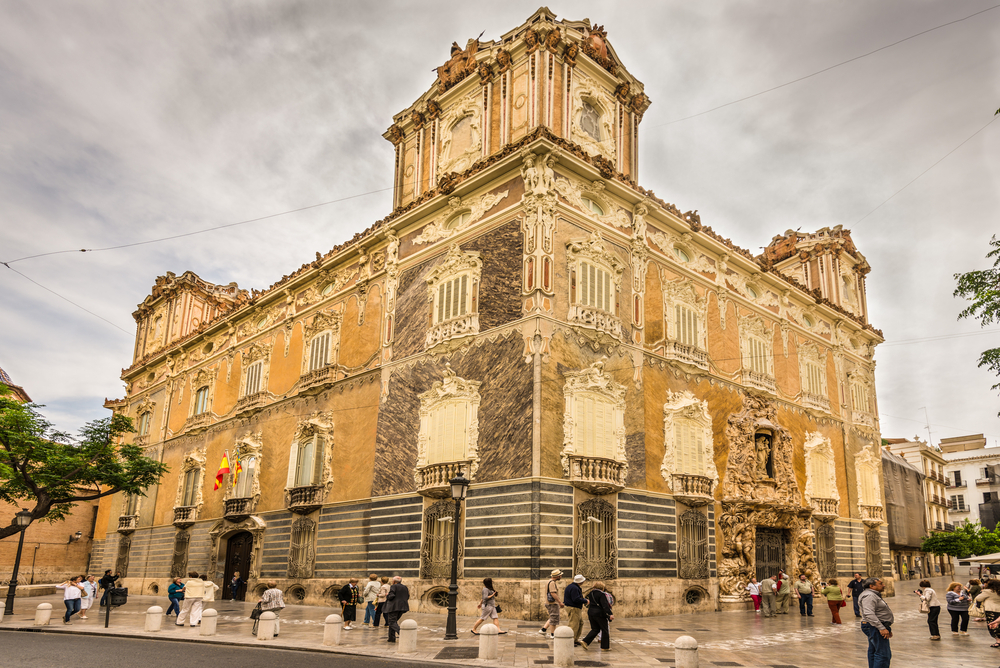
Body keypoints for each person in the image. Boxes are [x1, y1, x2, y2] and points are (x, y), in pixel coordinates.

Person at [858, 577, 893, 668]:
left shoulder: (872, 594)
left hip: (875, 626)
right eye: (880, 583)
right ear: (871, 586)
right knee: (883, 654)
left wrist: (886, 627)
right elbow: (869, 613)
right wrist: (881, 627)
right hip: (874, 627)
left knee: (874, 651)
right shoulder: (869, 596)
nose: (883, 585)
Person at [580, 581, 614, 652]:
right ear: (602, 587)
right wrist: (610, 614)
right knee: (605, 629)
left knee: (595, 629)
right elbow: (604, 605)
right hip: (599, 614)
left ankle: (585, 641)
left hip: (591, 613)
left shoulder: (591, 593)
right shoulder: (601, 594)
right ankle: (605, 647)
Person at [381, 576, 410, 643]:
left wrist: (387, 595)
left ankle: (403, 634)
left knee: (391, 622)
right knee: (393, 622)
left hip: (394, 607)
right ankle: (391, 638)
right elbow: (407, 596)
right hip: (402, 607)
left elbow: (391, 596)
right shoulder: (405, 587)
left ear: (394, 581)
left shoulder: (394, 586)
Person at [975, 579, 1000, 648]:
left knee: (992, 625)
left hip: (991, 610)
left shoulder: (988, 591)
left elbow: (978, 598)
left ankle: (998, 641)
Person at [540, 569, 564, 639]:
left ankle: (543, 629)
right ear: (558, 576)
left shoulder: (549, 581)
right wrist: (559, 602)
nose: (561, 576)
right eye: (560, 575)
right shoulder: (552, 583)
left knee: (552, 617)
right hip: (552, 603)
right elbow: (553, 593)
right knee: (554, 618)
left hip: (549, 603)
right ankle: (553, 634)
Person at [563, 574, 587, 645]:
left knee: (580, 623)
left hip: (574, 607)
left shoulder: (572, 586)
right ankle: (571, 641)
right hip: (573, 608)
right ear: (580, 581)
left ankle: (575, 639)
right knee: (574, 624)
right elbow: (576, 599)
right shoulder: (574, 588)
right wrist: (585, 601)